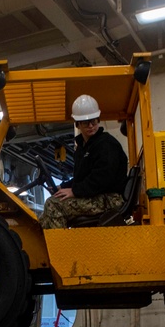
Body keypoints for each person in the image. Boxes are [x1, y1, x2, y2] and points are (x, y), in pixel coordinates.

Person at [40, 94, 128, 229]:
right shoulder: (83, 147)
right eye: (86, 123)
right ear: (78, 124)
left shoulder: (106, 144)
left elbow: (102, 179)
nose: (91, 125)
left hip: (110, 199)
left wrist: (74, 191)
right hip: (96, 195)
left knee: (53, 206)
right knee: (45, 215)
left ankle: (60, 249)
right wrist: (62, 187)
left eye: (94, 121)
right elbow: (82, 177)